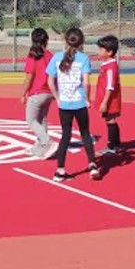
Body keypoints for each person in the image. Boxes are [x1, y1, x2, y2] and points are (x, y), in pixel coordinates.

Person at [46, 27, 99, 181]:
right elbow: (87, 82)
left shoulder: (56, 57)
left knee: (65, 137)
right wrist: (87, 99)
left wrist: (57, 97)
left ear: (65, 41)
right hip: (79, 103)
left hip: (64, 105)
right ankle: (92, 164)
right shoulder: (83, 58)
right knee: (85, 134)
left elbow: (50, 80)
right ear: (81, 42)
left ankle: (60, 170)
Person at [20, 27, 57, 158]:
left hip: (37, 92)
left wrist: (23, 93)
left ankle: (47, 142)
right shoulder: (50, 56)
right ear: (46, 40)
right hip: (49, 92)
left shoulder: (33, 55)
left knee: (31, 121)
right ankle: (40, 147)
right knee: (42, 120)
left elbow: (29, 76)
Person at [94, 35, 124, 157]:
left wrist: (105, 103)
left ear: (109, 52)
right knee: (110, 120)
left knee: (110, 120)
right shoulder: (106, 65)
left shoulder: (111, 67)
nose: (99, 52)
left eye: (101, 49)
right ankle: (116, 144)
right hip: (107, 99)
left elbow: (110, 86)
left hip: (110, 100)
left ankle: (111, 147)